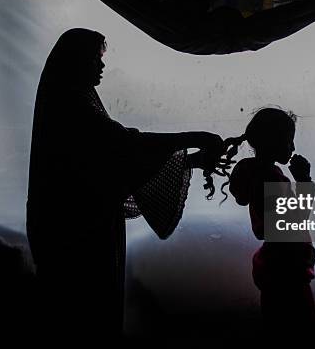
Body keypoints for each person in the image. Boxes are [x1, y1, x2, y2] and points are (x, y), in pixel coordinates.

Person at [26, 28, 224, 340]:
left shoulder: (70, 102)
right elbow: (123, 150)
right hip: (80, 236)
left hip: (78, 232)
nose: (102, 66)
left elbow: (116, 161)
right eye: (95, 58)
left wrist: (191, 158)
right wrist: (193, 140)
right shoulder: (73, 105)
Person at [209, 107, 315, 339]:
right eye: (289, 141)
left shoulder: (258, 174)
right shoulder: (271, 178)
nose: (293, 148)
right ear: (274, 142)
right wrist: (304, 181)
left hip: (275, 268)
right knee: (303, 332)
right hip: (287, 273)